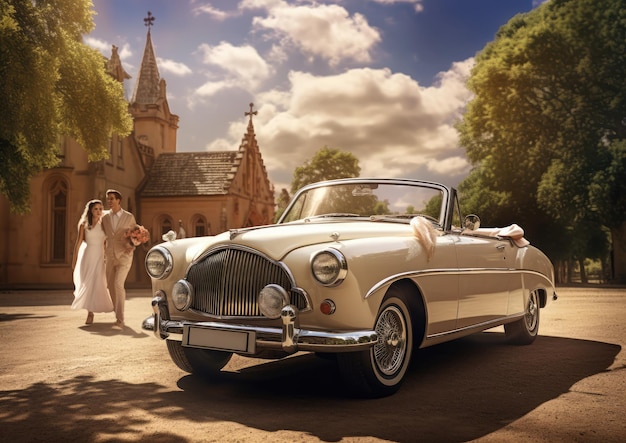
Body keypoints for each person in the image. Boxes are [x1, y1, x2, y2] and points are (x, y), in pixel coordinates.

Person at [71, 199, 114, 325]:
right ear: (90, 210)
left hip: (100, 257)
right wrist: (74, 260)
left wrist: (107, 257)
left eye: (100, 209)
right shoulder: (83, 224)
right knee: (88, 282)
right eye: (96, 209)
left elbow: (106, 243)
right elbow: (78, 242)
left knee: (99, 282)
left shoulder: (104, 224)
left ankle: (98, 308)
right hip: (88, 256)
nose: (99, 211)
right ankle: (90, 313)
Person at [101, 189, 137, 330]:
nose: (109, 201)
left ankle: (120, 319)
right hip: (110, 256)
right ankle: (117, 313)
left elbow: (136, 235)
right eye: (108, 199)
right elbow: (102, 236)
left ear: (118, 201)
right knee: (110, 286)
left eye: (111, 199)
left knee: (118, 284)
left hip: (124, 257)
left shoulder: (129, 217)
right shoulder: (105, 218)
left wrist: (131, 246)